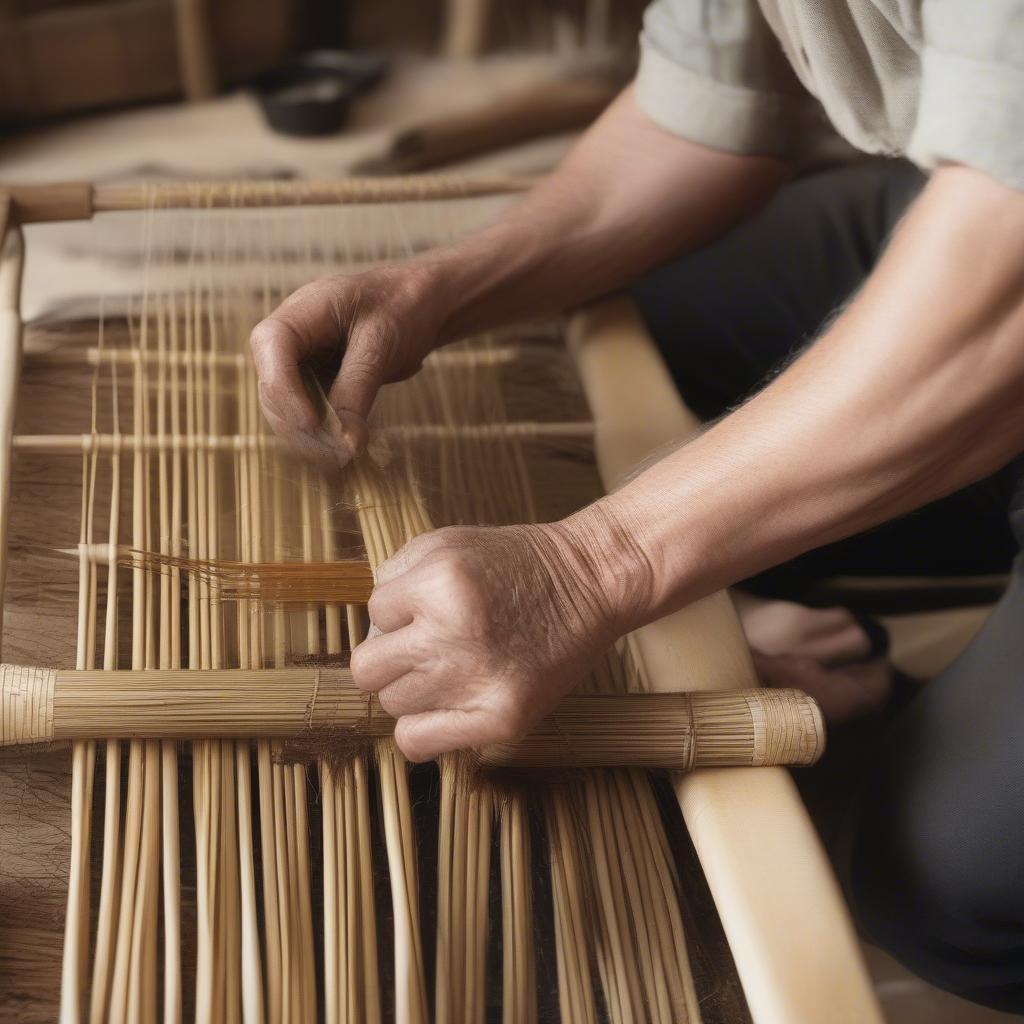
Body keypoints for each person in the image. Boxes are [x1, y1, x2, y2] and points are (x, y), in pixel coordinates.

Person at [250, 2, 1024, 1012]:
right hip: (981, 197)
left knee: (942, 884)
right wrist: (439, 289)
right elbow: (705, 110)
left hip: (1003, 251)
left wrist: (594, 568)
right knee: (629, 336)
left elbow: (1004, 293)